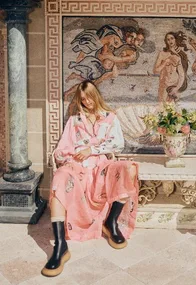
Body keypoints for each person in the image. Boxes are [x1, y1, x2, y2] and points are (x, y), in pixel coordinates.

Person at [41, 80, 139, 277]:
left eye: (89, 98)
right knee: (60, 178)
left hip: (102, 164)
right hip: (77, 165)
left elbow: (117, 144)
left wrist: (91, 150)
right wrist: (65, 156)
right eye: (83, 99)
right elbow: (62, 147)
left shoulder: (110, 118)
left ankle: (111, 222)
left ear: (96, 95)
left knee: (129, 169)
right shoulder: (74, 121)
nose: (86, 102)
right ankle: (60, 246)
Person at [153, 31, 189, 102]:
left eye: (172, 38)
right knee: (162, 106)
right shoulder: (162, 54)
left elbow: (182, 74)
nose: (170, 41)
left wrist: (177, 88)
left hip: (174, 86)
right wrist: (165, 62)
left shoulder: (179, 56)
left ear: (175, 39)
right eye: (168, 39)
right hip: (164, 84)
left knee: (172, 108)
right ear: (166, 42)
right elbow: (155, 71)